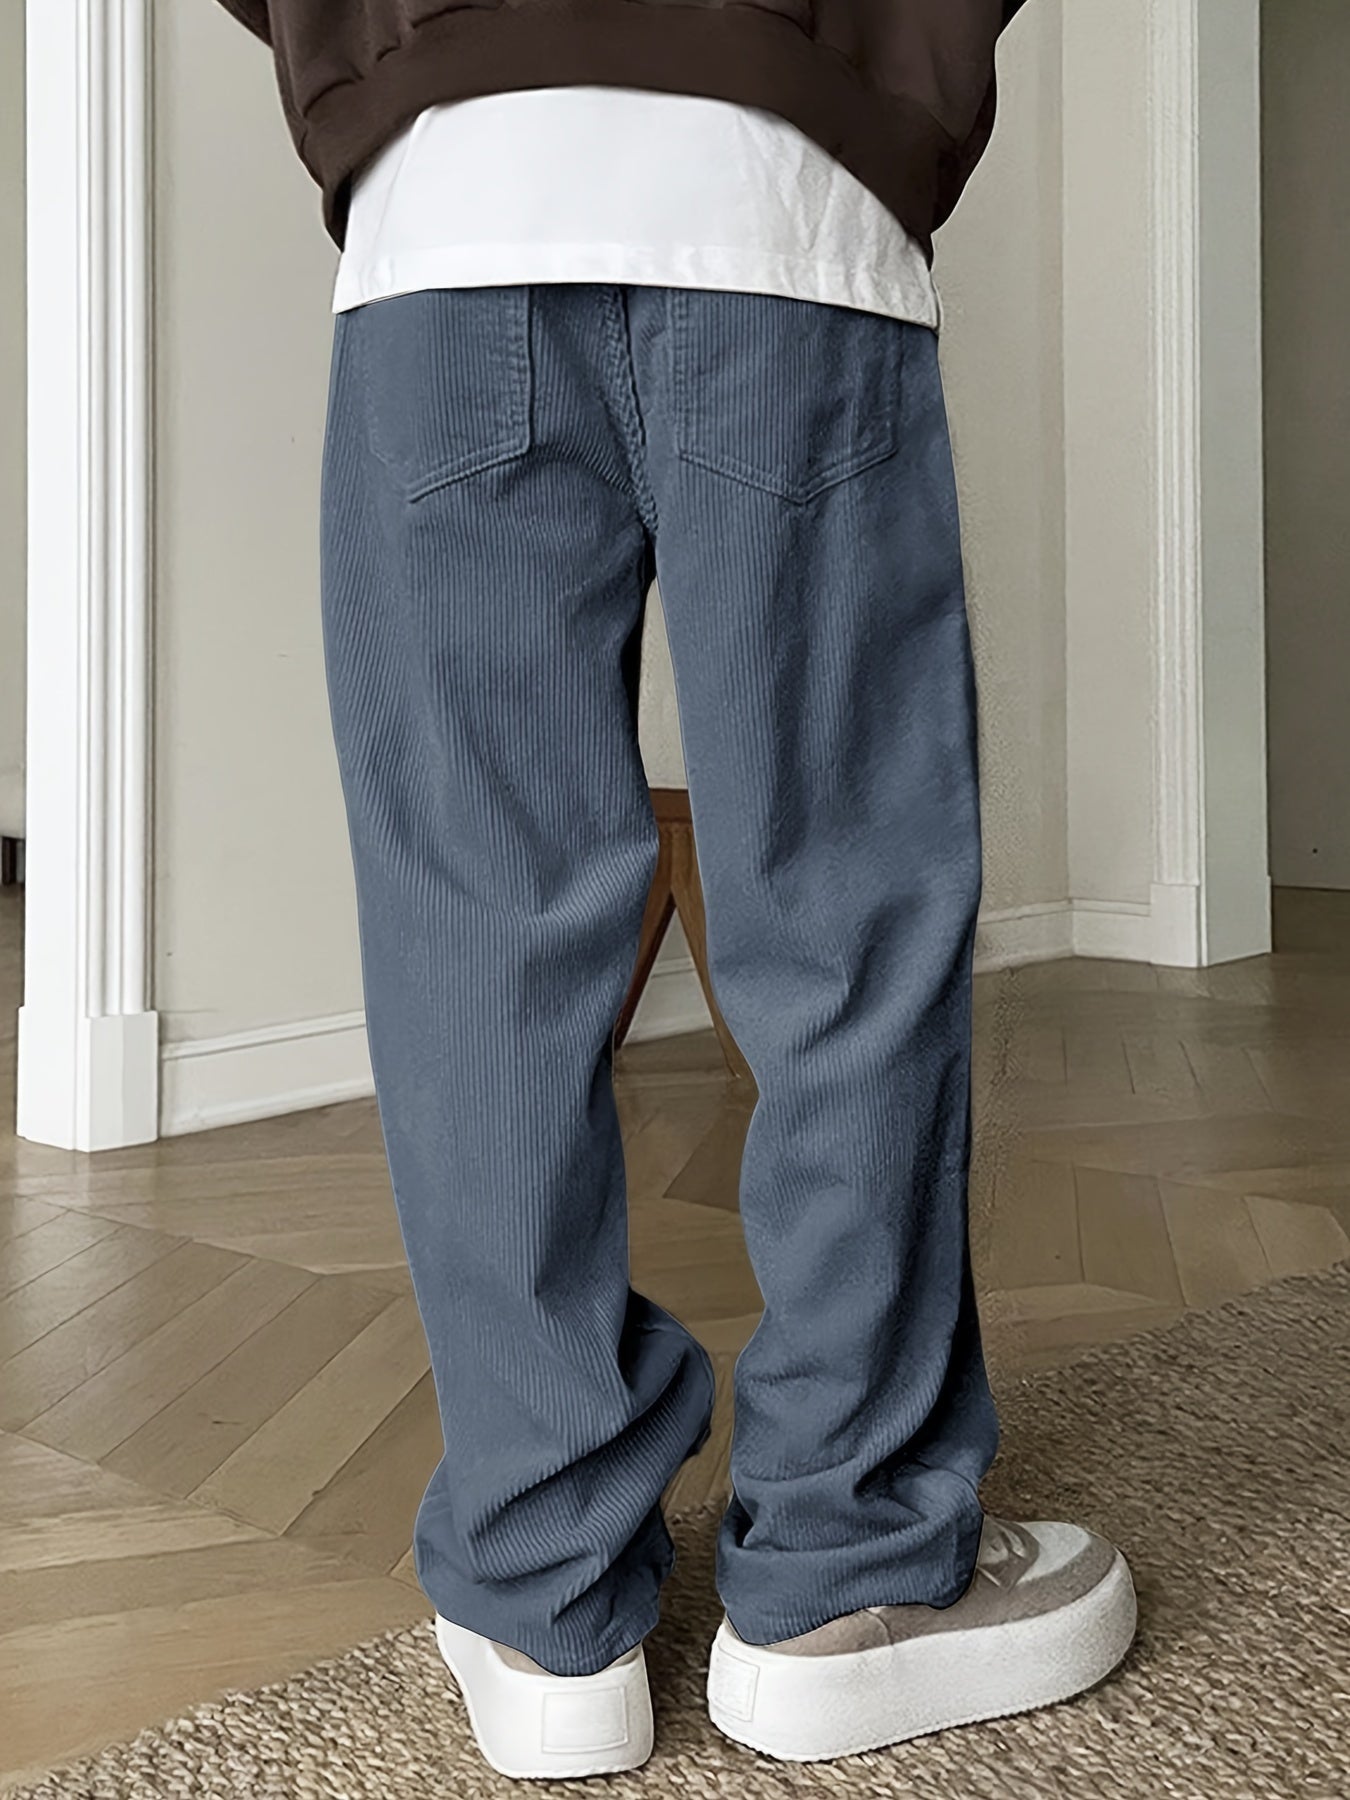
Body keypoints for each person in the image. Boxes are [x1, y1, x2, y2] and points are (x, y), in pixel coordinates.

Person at [216, 0, 1137, 1780]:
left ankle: (540, 1598)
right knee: (840, 915)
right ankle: (850, 1574)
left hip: (442, 220)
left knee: (476, 932)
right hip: (780, 204)